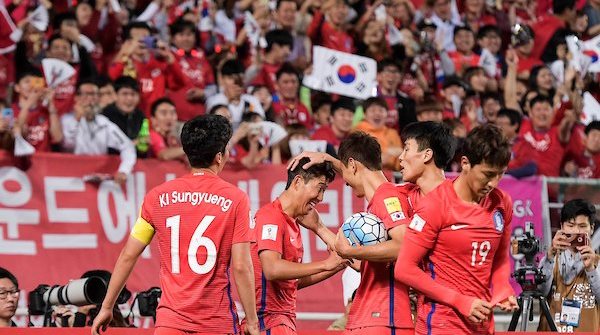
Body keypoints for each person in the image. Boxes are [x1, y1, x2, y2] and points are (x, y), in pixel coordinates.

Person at [91, 115, 259, 335]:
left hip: (170, 324)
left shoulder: (156, 197)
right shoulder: (236, 199)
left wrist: (107, 306)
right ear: (219, 157)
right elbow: (241, 266)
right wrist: (252, 321)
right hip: (215, 323)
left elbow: (128, 256)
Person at [395, 124, 519, 335]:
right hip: (441, 323)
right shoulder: (435, 204)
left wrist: (502, 288)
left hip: (480, 323)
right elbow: (404, 269)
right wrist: (459, 300)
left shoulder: (501, 202)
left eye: (500, 174)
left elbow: (499, 258)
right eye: (488, 174)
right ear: (465, 163)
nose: (493, 183)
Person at [289, 132, 416, 335]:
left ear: (353, 165)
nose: (345, 182)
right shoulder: (382, 199)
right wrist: (319, 228)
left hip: (384, 317)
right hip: (369, 315)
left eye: (345, 170)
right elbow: (359, 261)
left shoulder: (388, 198)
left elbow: (403, 247)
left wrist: (349, 249)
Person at [250, 157, 347, 334]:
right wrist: (325, 264)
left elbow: (291, 283)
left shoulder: (292, 222)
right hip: (269, 322)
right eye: (320, 188)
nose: (321, 197)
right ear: (298, 182)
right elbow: (272, 269)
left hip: (283, 321)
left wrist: (337, 265)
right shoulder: (270, 216)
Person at [538, 198, 600, 332]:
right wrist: (549, 257)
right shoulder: (550, 258)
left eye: (582, 226)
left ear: (592, 228)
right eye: (570, 225)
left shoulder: (598, 262)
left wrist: (591, 269)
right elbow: (540, 292)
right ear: (561, 227)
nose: (576, 231)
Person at [61, 79, 135, 184]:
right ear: (76, 98)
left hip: (96, 180)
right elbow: (67, 145)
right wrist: (77, 120)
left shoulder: (104, 123)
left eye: (95, 95)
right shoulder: (67, 119)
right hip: (70, 179)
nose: (91, 99)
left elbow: (127, 146)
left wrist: (124, 170)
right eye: (86, 94)